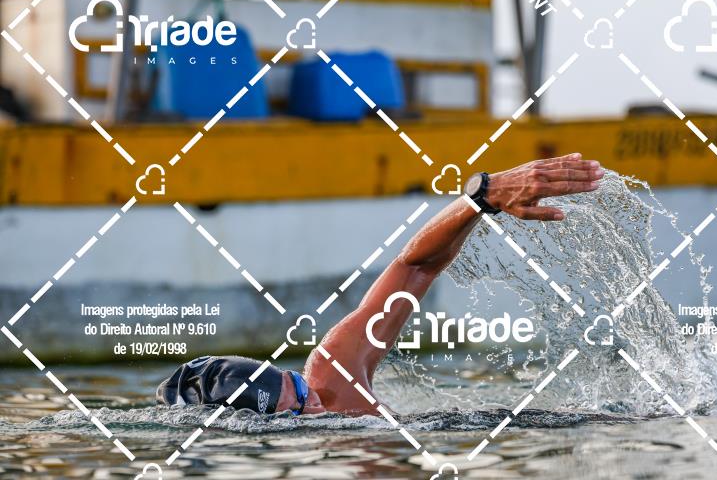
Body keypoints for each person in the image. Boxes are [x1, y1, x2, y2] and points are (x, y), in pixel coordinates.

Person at [157, 154, 604, 415]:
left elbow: (415, 266)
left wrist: (481, 196)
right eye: (297, 406)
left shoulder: (332, 373)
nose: (315, 399)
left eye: (297, 383)